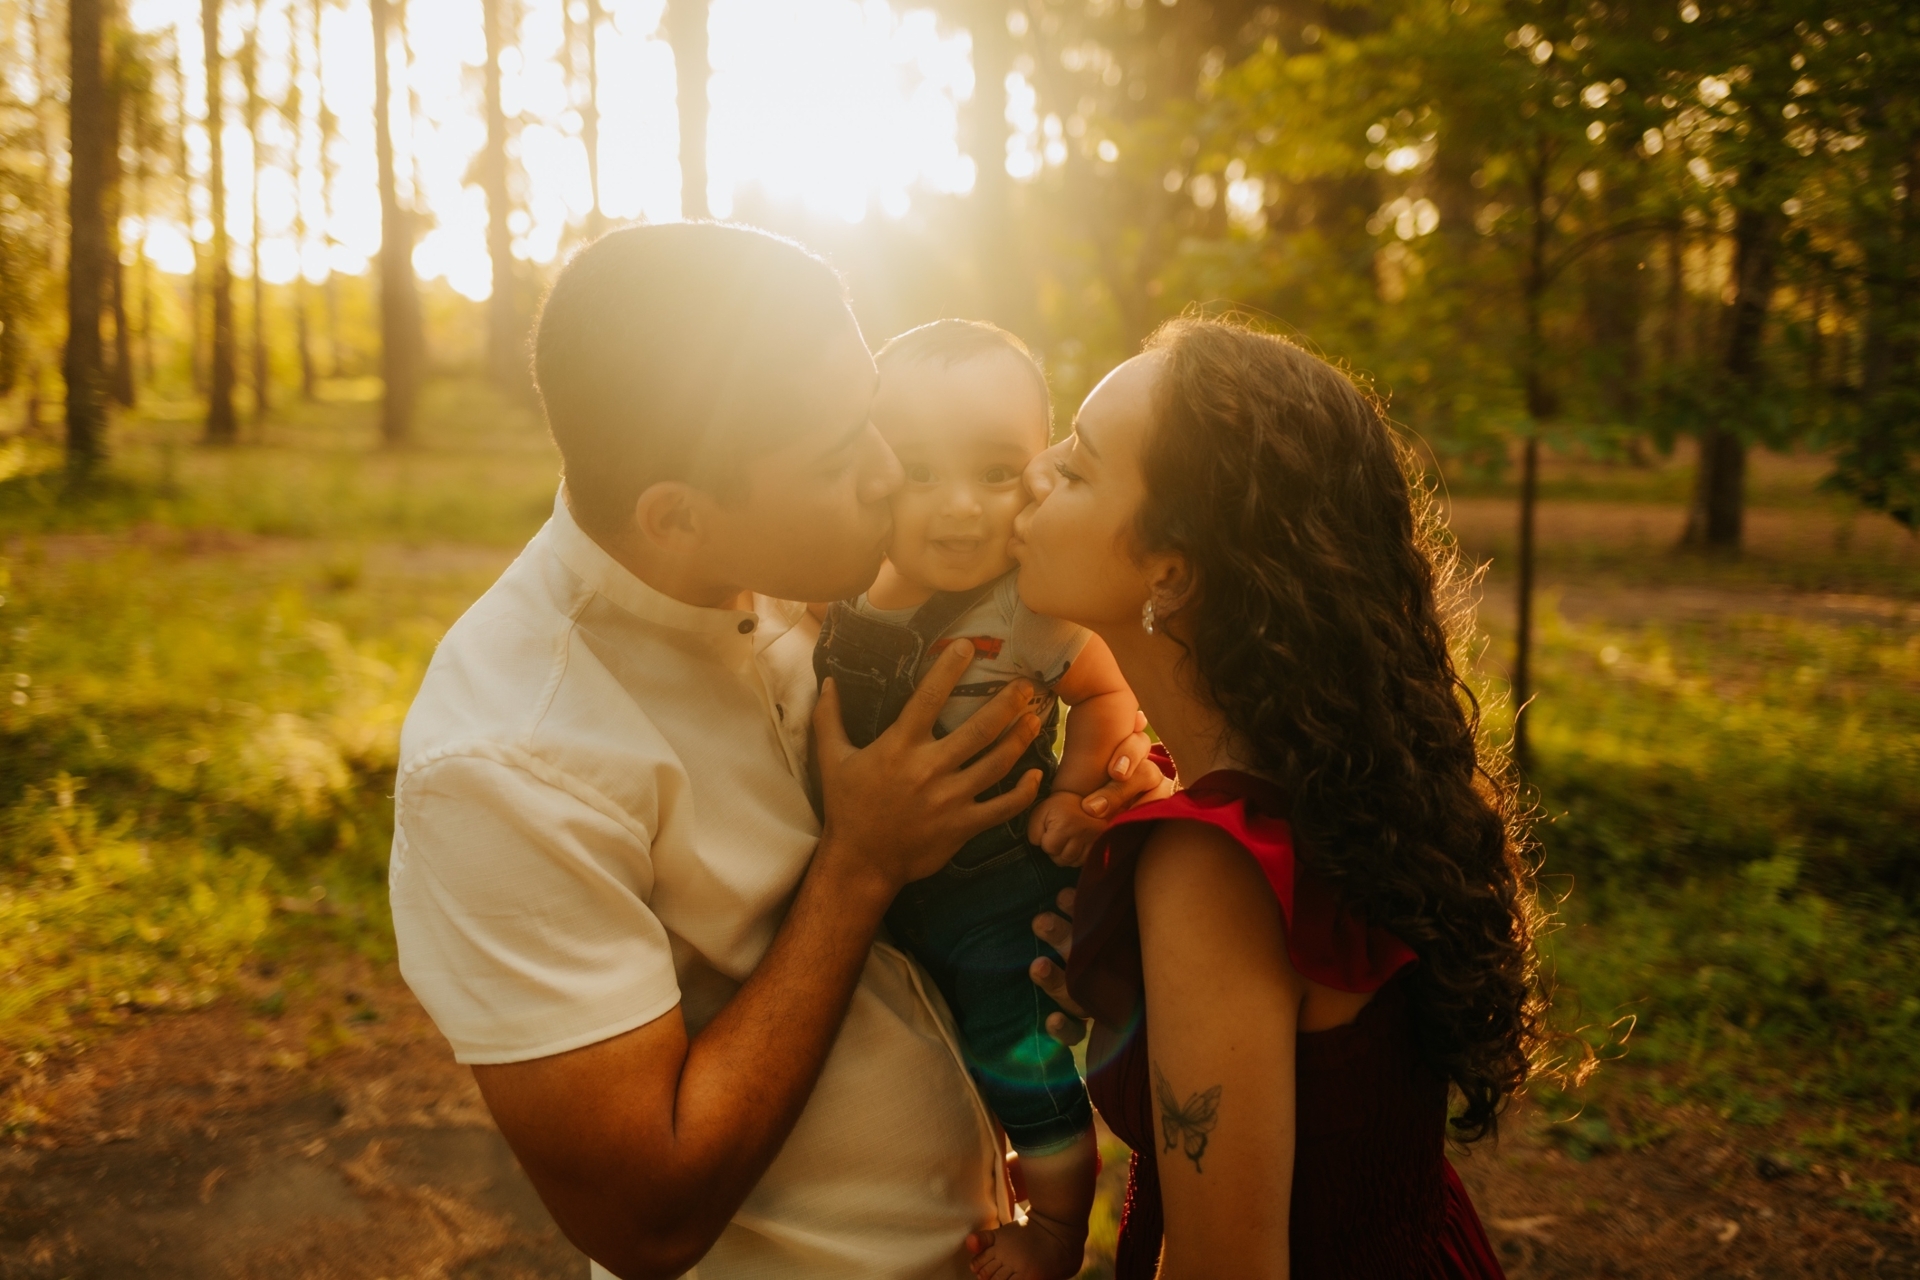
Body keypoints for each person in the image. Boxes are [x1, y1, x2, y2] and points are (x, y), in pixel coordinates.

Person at [387, 223, 1160, 1280]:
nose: (891, 477)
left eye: (872, 416)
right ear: (677, 519)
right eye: (845, 457)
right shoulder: (506, 764)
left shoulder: (821, 578)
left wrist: (1101, 803)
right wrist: (861, 864)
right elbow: (646, 1217)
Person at [1005, 315, 1542, 1278]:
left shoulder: (1210, 866)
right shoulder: (1335, 774)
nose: (1033, 472)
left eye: (1076, 467)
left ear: (1171, 570)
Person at [812, 320, 1140, 1280]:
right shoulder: (840, 589)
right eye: (920, 470)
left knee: (1020, 1059)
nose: (958, 507)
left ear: (1041, 474)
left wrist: (1075, 792)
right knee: (925, 1066)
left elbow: (1107, 693)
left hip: (994, 893)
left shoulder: (1033, 608)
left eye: (997, 472)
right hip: (881, 901)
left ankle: (1056, 1228)